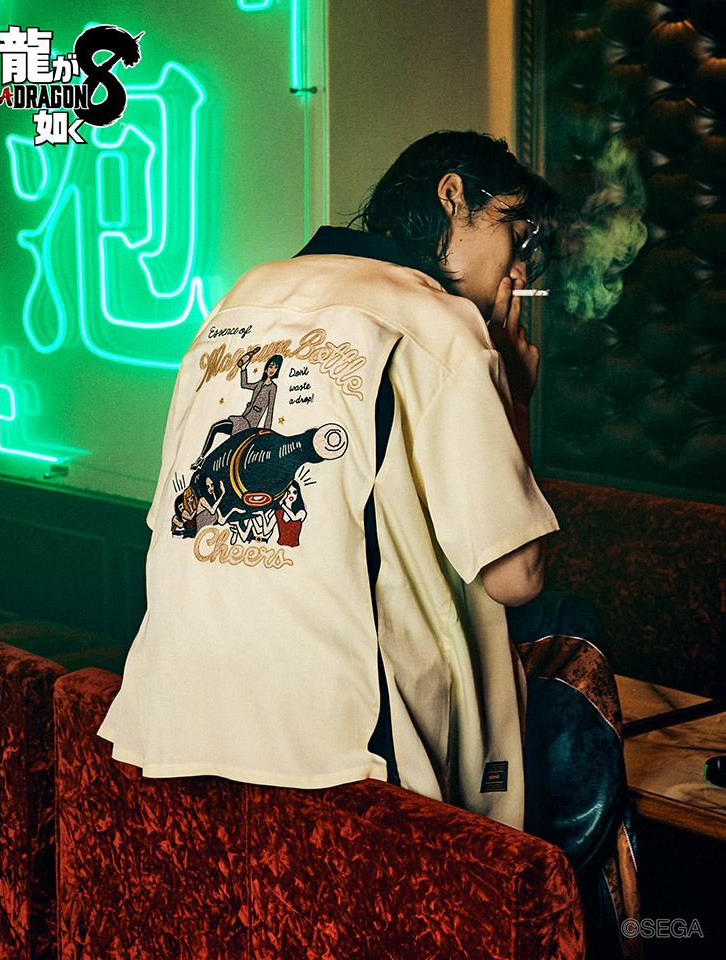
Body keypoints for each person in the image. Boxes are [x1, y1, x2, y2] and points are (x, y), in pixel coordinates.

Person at [97, 131, 636, 958]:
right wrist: (516, 394)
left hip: (171, 721)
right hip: (343, 754)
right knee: (567, 631)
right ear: (452, 197)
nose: (519, 267)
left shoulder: (239, 299)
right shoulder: (442, 322)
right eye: (514, 229)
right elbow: (517, 574)